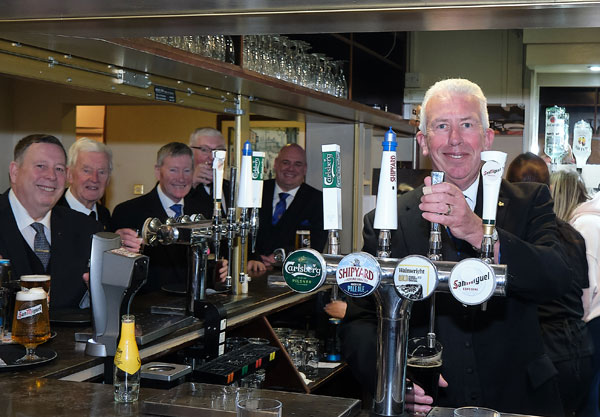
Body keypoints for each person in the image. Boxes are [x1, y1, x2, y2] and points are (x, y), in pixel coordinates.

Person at [341, 79, 572, 416]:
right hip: (431, 404)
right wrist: (393, 379)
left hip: (519, 399)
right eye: (441, 126)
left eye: (466, 124)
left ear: (487, 137)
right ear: (422, 141)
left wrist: (479, 231)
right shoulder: (389, 219)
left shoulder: (530, 201)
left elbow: (557, 279)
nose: (454, 140)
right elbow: (360, 322)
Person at [507, 153, 593, 416]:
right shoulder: (572, 234)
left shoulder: (510, 239)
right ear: (551, 188)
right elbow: (584, 299)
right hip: (579, 347)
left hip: (541, 353)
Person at [0, 134, 102, 310]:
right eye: (41, 166)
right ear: (15, 172)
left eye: (59, 169)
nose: (51, 176)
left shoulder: (87, 230)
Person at [112, 142, 226, 292]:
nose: (181, 178)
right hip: (149, 304)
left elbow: (215, 255)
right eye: (173, 170)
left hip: (195, 301)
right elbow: (117, 269)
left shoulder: (205, 209)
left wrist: (223, 267)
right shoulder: (128, 211)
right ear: (158, 172)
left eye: (187, 170)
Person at [550, 169, 600, 417]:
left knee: (590, 402)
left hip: (592, 322)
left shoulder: (582, 227)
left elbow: (587, 287)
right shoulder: (592, 221)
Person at [247, 143, 327, 272]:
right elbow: (242, 234)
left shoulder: (318, 200)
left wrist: (281, 256)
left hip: (295, 275)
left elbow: (317, 243)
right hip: (252, 271)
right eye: (286, 162)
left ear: (305, 169)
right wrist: (253, 258)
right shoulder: (255, 191)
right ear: (276, 164)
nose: (291, 168)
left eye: (297, 164)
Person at [57, 137, 141, 252]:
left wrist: (114, 245)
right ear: (69, 174)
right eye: (86, 170)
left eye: (102, 172)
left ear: (108, 179)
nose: (94, 179)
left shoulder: (105, 216)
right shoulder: (51, 213)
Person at [186, 128, 230, 220]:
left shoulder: (228, 187)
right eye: (204, 150)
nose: (212, 157)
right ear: (190, 152)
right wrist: (191, 183)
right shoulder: (181, 187)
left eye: (219, 150)